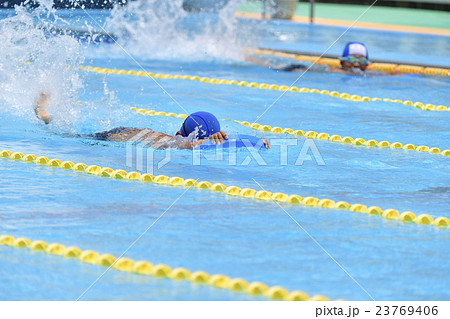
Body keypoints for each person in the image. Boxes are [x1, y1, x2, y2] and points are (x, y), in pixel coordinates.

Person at [34, 93, 270, 150]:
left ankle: (46, 113)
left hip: (126, 131)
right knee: (62, 134)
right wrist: (253, 142)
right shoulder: (176, 143)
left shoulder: (176, 139)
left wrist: (256, 141)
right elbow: (190, 145)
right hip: (113, 136)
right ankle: (43, 113)